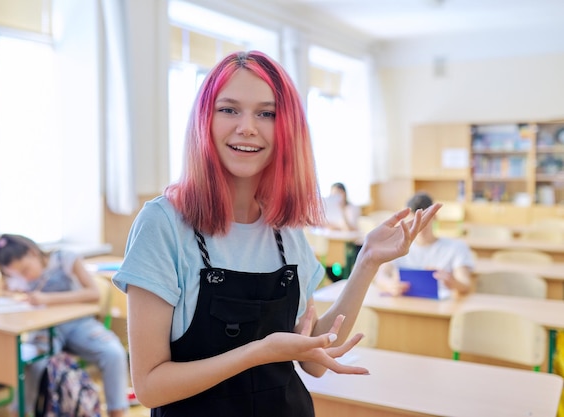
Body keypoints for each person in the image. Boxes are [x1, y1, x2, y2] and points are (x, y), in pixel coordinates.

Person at [112, 50, 440, 417]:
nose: (247, 127)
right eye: (229, 109)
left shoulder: (285, 230)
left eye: (266, 113)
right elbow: (150, 387)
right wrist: (258, 352)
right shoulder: (164, 224)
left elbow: (314, 360)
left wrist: (366, 262)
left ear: (286, 129)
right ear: (205, 119)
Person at [0, 233, 129, 417]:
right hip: (44, 330)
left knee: (114, 353)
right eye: (17, 274)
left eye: (25, 270)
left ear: (33, 253)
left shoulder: (64, 259)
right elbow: (4, 294)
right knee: (32, 364)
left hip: (80, 325)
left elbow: (94, 294)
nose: (25, 277)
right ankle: (19, 412)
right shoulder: (16, 278)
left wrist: (48, 299)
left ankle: (117, 411)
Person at [375, 192, 474, 298]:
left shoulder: (456, 247)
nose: (419, 226)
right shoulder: (398, 247)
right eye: (414, 221)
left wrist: (453, 283)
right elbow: (380, 276)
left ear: (435, 217)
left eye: (424, 220)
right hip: (405, 305)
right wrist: (390, 285)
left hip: (441, 308)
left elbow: (466, 284)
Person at [323, 182, 362, 280]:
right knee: (329, 261)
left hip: (354, 245)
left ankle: (345, 282)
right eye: (333, 194)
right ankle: (338, 282)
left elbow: (350, 228)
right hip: (335, 242)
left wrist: (341, 210)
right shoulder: (331, 209)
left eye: (338, 194)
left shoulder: (352, 208)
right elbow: (332, 225)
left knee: (344, 264)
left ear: (344, 194)